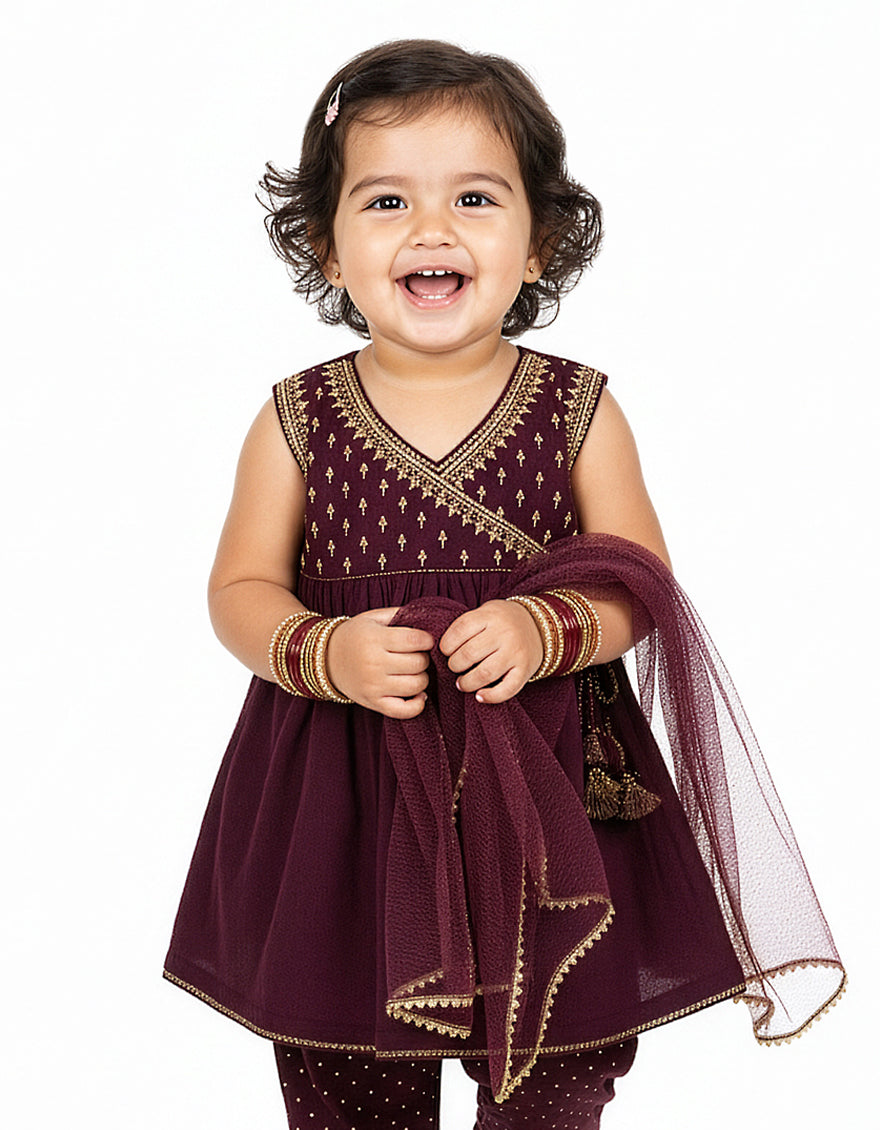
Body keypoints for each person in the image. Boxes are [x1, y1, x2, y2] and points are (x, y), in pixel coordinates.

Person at [164, 40, 844, 1129]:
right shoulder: (296, 418)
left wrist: (544, 626)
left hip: (550, 799)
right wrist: (324, 650)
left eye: (474, 198)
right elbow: (239, 588)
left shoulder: (578, 408)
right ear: (325, 246)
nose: (431, 230)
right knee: (349, 1076)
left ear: (539, 245)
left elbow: (640, 583)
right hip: (353, 802)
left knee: (559, 1074)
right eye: (386, 200)